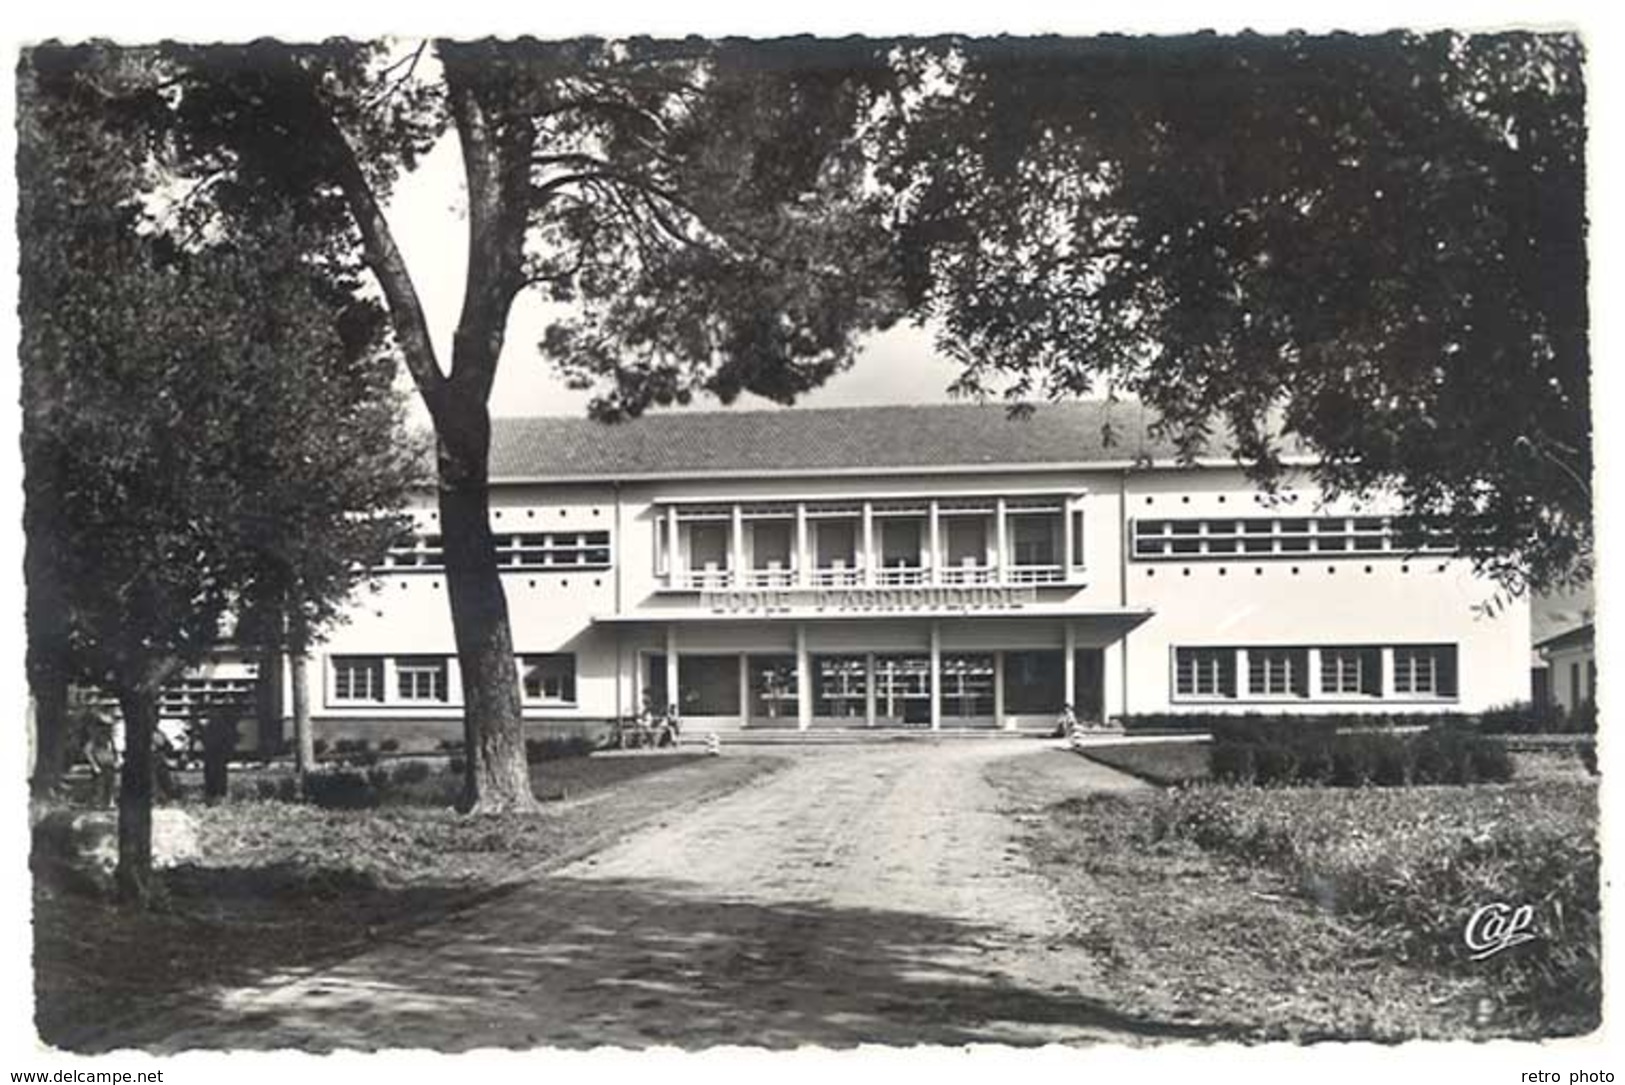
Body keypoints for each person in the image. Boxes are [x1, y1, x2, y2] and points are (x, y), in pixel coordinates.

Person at [81, 716, 119, 808]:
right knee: (99, 785)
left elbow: (114, 751)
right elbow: (87, 751)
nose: (108, 729)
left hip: (110, 765)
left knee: (110, 784)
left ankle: (110, 802)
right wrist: (94, 765)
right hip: (100, 765)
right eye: (105, 726)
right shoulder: (96, 738)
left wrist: (116, 760)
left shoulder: (110, 739)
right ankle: (98, 803)